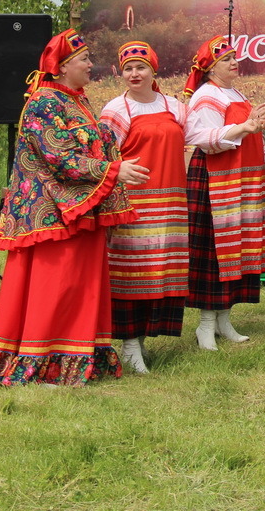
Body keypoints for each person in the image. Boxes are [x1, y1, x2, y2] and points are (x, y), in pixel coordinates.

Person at [0, 28, 149, 387]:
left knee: (78, 288)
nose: (90, 64)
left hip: (79, 209)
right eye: (84, 59)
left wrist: (114, 165)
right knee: (55, 287)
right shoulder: (44, 102)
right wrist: (113, 171)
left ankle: (74, 361)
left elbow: (92, 146)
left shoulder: (77, 100)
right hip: (52, 213)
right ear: (63, 65)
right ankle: (42, 363)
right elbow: (59, 156)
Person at [99, 41, 253, 372]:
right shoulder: (115, 110)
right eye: (128, 68)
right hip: (135, 204)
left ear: (153, 70)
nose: (134, 74)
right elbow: (103, 157)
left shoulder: (174, 107)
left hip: (171, 204)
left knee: (162, 273)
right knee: (133, 273)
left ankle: (143, 339)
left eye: (141, 67)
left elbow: (202, 137)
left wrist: (241, 129)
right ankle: (129, 343)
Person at [182, 35, 265, 350]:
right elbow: (201, 137)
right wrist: (243, 127)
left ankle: (224, 320)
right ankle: (205, 326)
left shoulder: (235, 93)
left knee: (236, 248)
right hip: (216, 180)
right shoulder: (206, 96)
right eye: (226, 59)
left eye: (234, 57)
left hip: (244, 179)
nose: (234, 62)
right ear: (211, 68)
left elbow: (254, 134)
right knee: (215, 253)